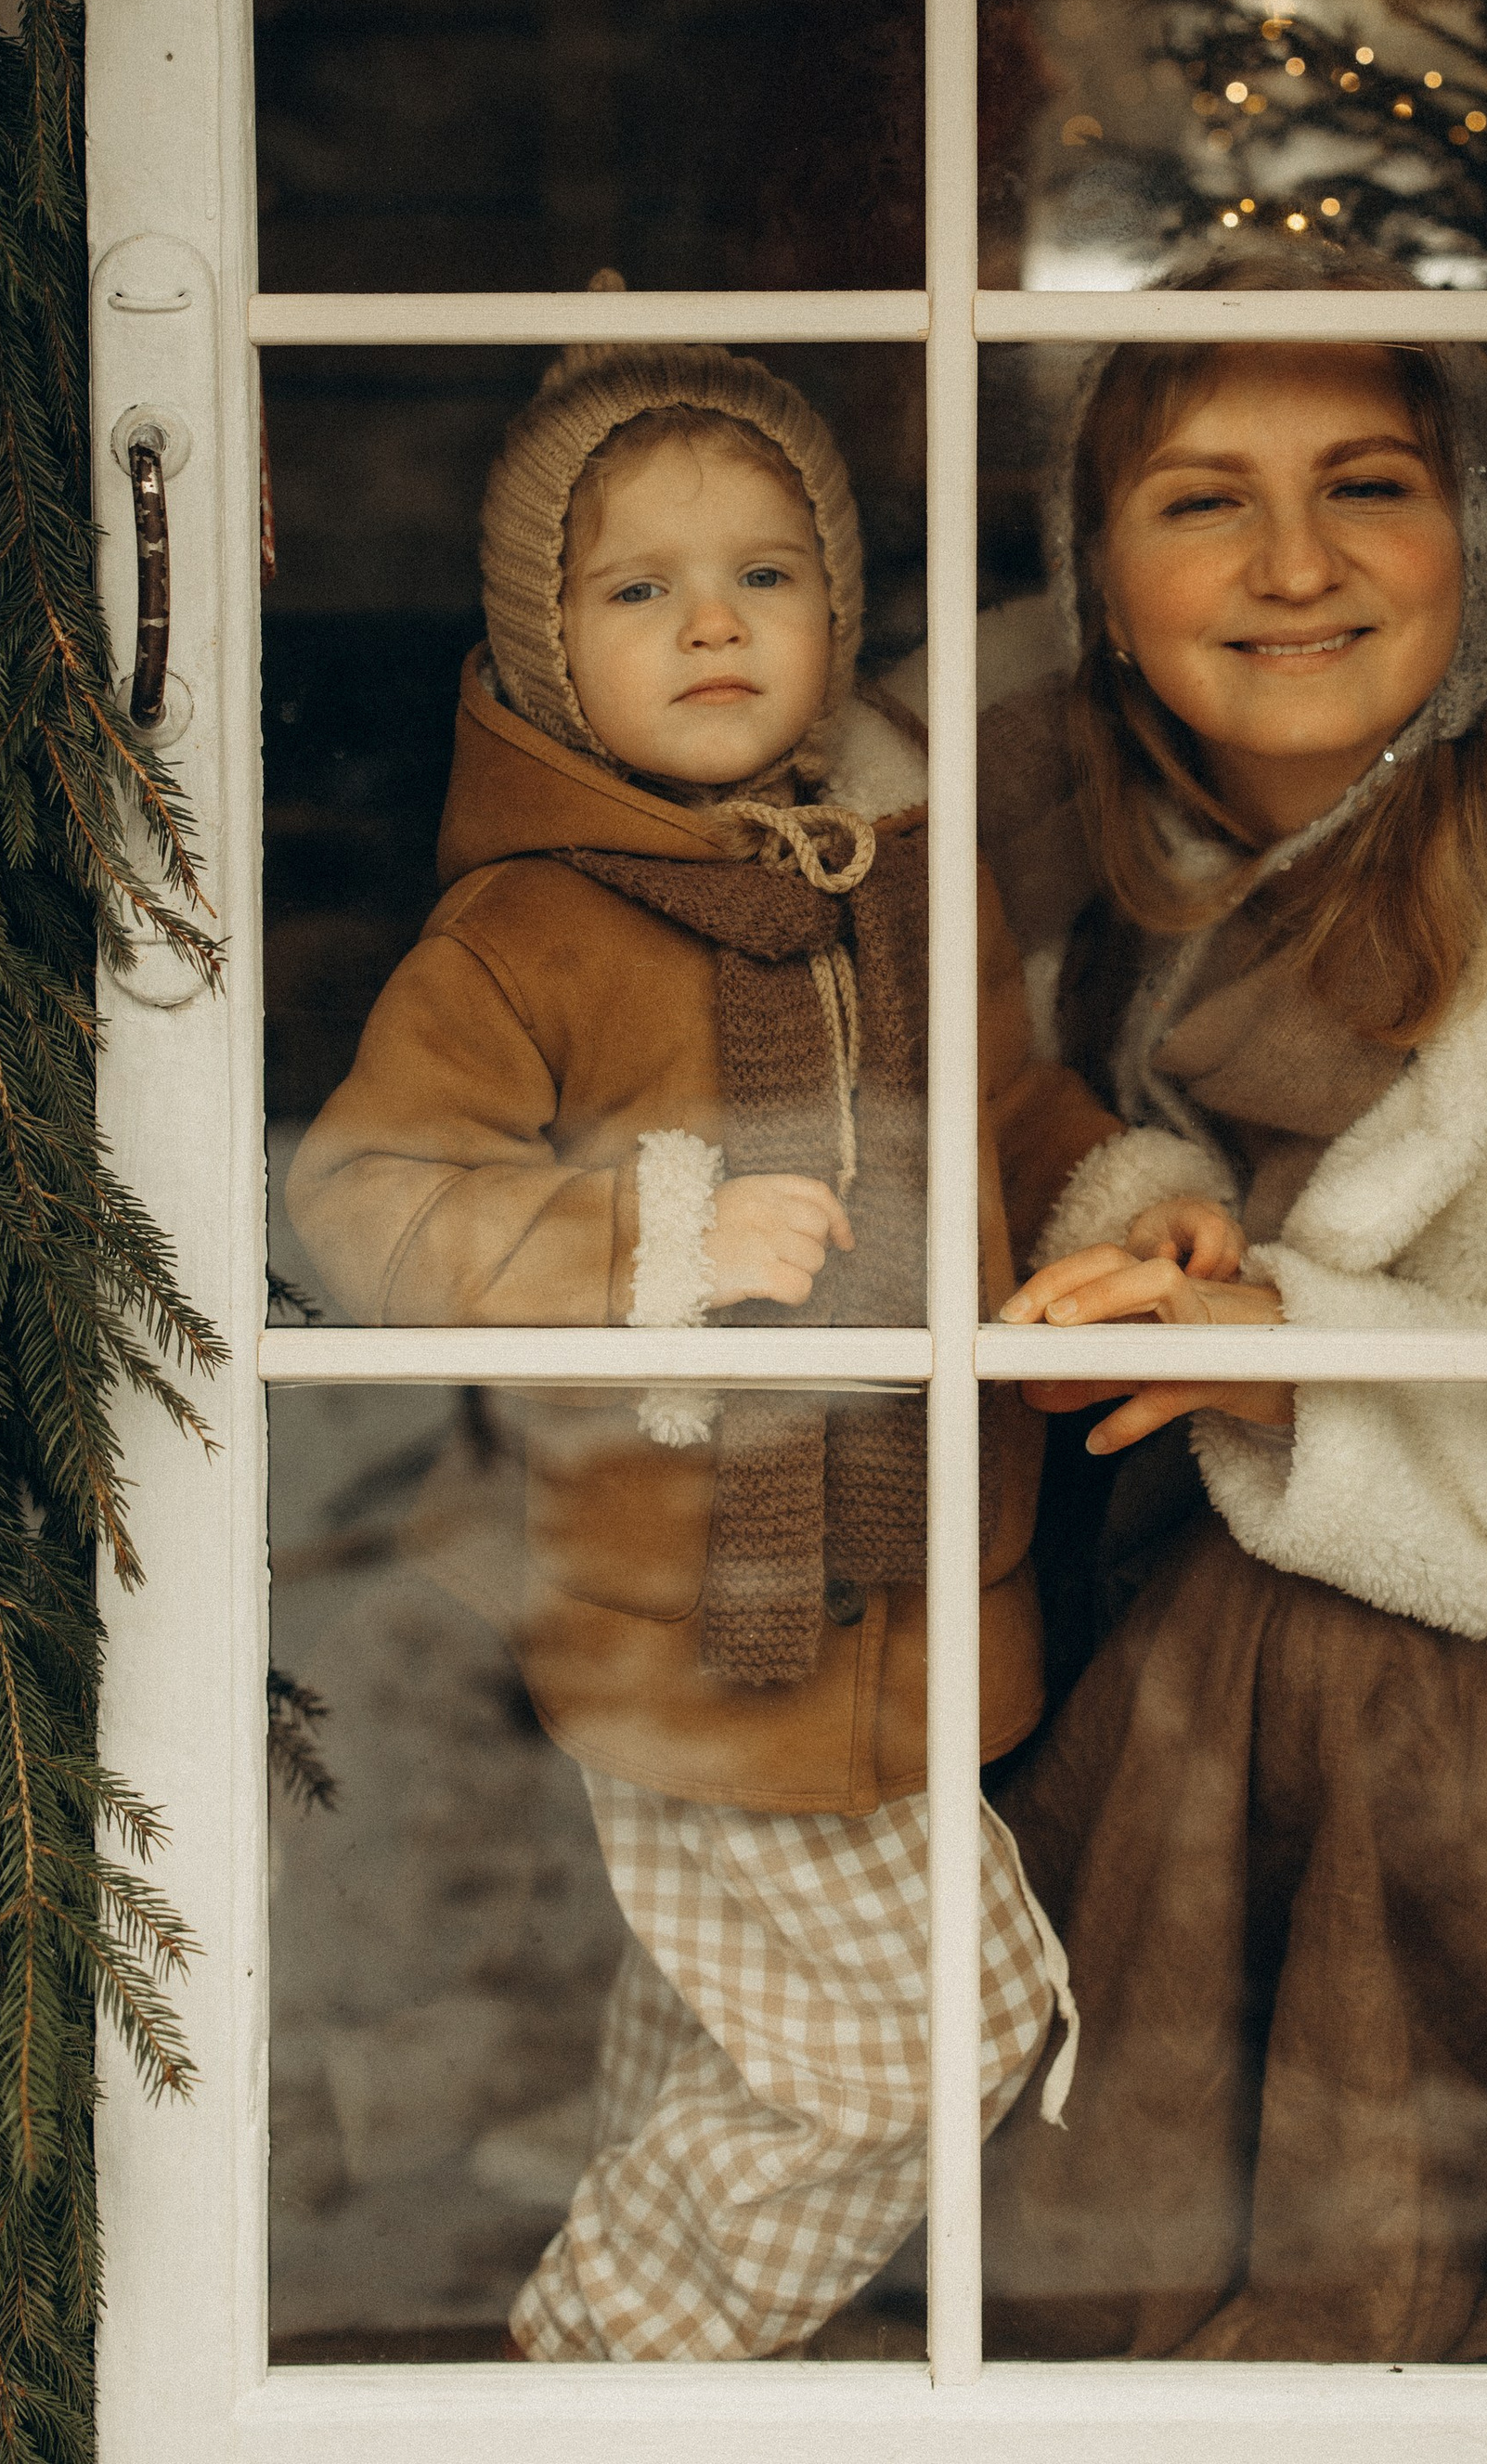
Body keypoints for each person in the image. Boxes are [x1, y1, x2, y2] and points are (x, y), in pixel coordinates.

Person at [287, 343, 1110, 2363]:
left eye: (766, 575)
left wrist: (1126, 1210)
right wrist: (656, 1236)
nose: (714, 624)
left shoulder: (909, 882)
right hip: (683, 1612)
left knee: (716, 2037)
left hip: (920, 1582)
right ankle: (598, 2367)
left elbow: (1014, 1126)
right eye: (639, 588)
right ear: (544, 649)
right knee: (931, 2039)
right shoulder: (524, 932)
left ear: (838, 615)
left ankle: (667, 2368)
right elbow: (366, 1200)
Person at [978, 278, 1487, 2364]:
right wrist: (1143, 1225)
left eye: (1367, 487)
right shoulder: (1034, 831)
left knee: (1351, 1663)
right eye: (1201, 502)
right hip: (1100, 1633)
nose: (1291, 567)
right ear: (1096, 585)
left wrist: (1294, 1358)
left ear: (1482, 537)